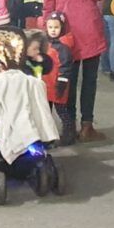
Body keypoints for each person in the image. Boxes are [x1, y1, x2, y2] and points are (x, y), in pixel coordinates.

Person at [43, 0, 107, 141]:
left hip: (63, 31)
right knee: (89, 80)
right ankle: (87, 126)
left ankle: (68, 127)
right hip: (87, 29)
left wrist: (48, 26)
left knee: (66, 78)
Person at [42, 12, 76, 140]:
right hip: (46, 84)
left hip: (57, 85)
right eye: (50, 27)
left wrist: (62, 82)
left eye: (56, 27)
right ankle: (47, 135)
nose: (53, 30)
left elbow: (66, 66)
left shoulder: (63, 47)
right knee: (46, 112)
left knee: (61, 111)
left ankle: (69, 134)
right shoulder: (46, 43)